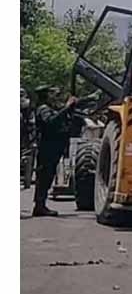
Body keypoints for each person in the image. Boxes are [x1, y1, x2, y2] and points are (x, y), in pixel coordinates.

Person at [31, 86, 78, 217]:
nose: (54, 96)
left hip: (52, 148)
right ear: (45, 95)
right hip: (47, 148)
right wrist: (67, 107)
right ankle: (39, 206)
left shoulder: (50, 108)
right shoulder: (43, 109)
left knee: (48, 176)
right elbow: (51, 122)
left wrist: (70, 107)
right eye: (51, 93)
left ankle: (41, 205)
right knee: (44, 177)